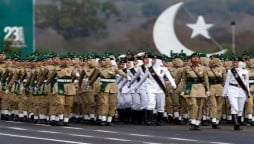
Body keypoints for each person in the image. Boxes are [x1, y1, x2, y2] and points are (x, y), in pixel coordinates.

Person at [222, 57, 250, 130]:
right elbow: (227, 82)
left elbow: (246, 83)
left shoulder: (246, 71)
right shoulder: (230, 71)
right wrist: (224, 92)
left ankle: (238, 123)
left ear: (240, 63)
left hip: (242, 90)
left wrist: (248, 93)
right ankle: (235, 123)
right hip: (232, 89)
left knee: (240, 108)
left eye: (237, 62)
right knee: (235, 106)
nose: (234, 63)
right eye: (234, 62)